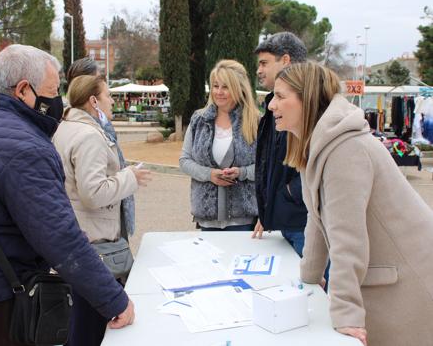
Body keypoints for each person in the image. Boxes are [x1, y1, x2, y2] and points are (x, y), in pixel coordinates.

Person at [0, 44, 134, 345]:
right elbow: (59, 237)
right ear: (23, 90)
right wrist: (114, 299)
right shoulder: (23, 145)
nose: (57, 99)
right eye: (52, 89)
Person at [270, 61, 433, 346]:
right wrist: (310, 276)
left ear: (306, 100)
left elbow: (348, 238)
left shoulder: (346, 149)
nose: (272, 105)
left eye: (281, 96)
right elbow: (317, 219)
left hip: (410, 279)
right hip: (396, 275)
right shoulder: (321, 144)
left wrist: (346, 315)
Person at [53, 75, 151, 346]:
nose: (111, 101)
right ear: (93, 100)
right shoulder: (89, 136)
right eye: (108, 95)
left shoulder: (64, 128)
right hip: (95, 243)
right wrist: (129, 177)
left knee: (78, 323)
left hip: (75, 239)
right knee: (92, 327)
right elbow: (92, 193)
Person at [180, 59, 259, 231]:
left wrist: (242, 172)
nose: (219, 92)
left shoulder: (256, 122)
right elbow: (185, 161)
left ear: (239, 88)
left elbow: (267, 166)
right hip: (207, 219)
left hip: (244, 220)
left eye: (226, 87)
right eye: (215, 86)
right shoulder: (198, 120)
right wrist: (209, 174)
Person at [251, 32, 309, 257]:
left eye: (264, 63)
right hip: (286, 222)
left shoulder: (310, 107)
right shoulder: (272, 106)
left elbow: (317, 166)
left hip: (303, 224)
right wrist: (269, 212)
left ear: (285, 61)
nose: (259, 70)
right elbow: (272, 164)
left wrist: (288, 194)